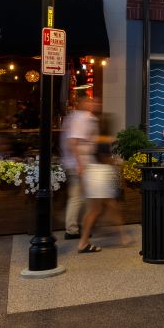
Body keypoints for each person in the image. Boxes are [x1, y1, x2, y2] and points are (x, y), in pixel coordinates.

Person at [75, 134, 127, 252]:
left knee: (99, 209)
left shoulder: (94, 139)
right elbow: (104, 158)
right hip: (101, 174)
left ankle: (84, 241)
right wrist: (114, 161)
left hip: (93, 173)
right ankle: (83, 242)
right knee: (102, 209)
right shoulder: (101, 139)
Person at [60, 94, 99, 239]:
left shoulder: (73, 117)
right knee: (80, 197)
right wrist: (79, 164)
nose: (93, 104)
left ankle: (79, 227)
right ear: (82, 103)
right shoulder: (80, 118)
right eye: (90, 102)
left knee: (81, 197)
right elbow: (73, 142)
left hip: (77, 162)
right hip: (80, 163)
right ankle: (74, 229)